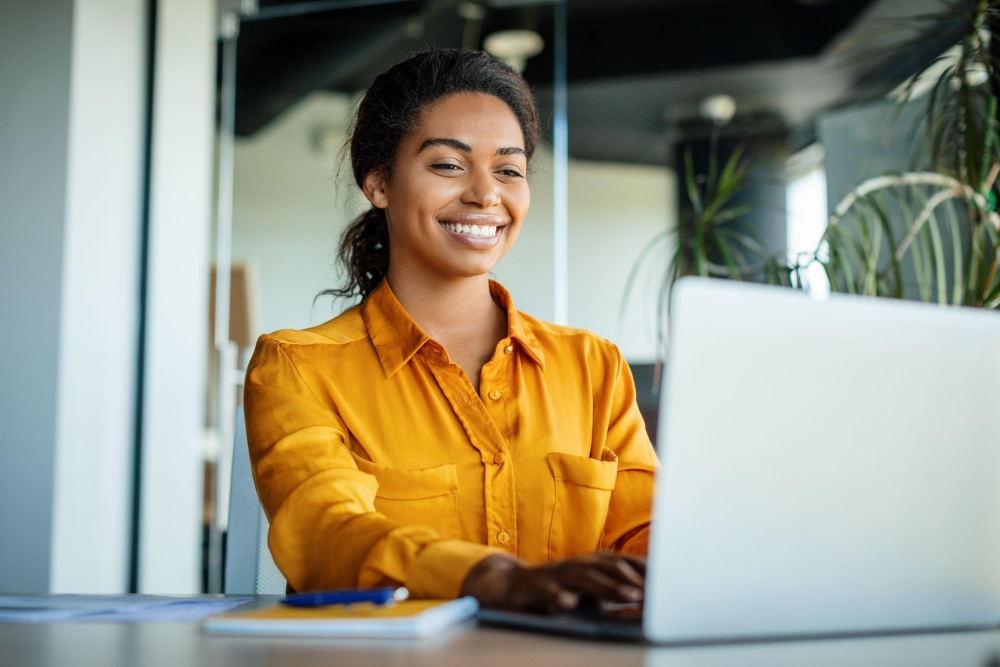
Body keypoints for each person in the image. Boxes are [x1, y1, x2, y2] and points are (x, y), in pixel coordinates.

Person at [243, 49, 659, 612]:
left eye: (508, 170)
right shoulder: (297, 367)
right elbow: (325, 532)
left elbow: (648, 534)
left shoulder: (592, 367)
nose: (486, 194)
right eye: (448, 164)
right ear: (379, 183)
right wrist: (488, 579)